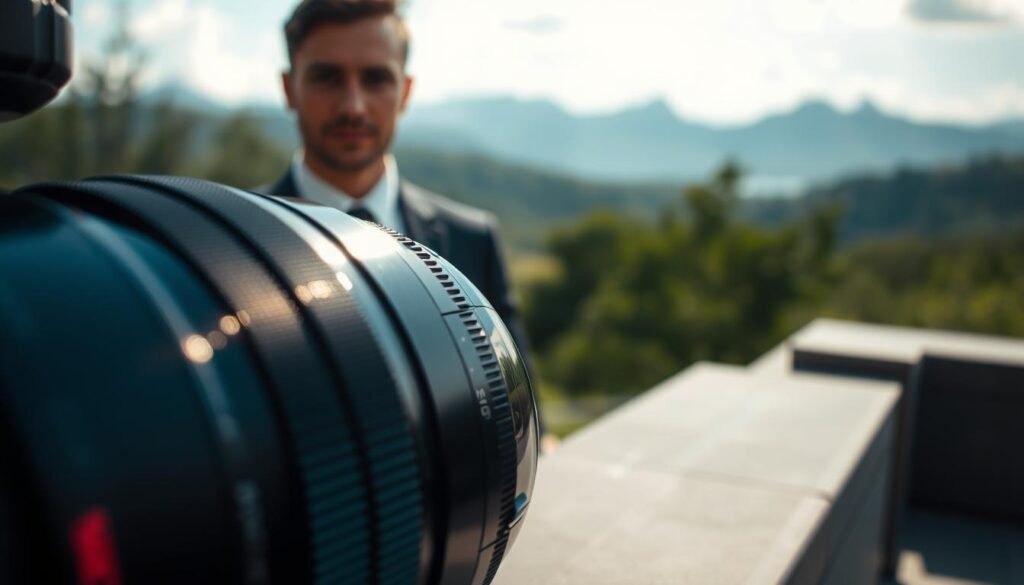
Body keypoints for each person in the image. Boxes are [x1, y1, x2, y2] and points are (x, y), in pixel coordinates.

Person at [266, 0, 548, 440]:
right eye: (327, 77)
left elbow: (523, 416)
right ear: (289, 88)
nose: (353, 106)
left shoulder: (472, 240)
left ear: (406, 91)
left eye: (376, 78)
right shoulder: (232, 241)